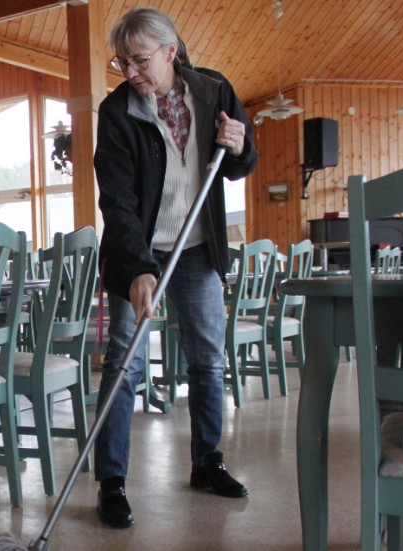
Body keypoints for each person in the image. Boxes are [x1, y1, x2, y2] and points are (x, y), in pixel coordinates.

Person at [92, 7, 258, 529]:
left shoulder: (213, 91)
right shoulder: (116, 112)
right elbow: (117, 200)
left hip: (198, 249)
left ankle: (207, 462)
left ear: (171, 51)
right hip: (140, 249)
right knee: (125, 361)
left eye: (140, 60)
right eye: (123, 63)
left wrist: (240, 145)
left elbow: (240, 164)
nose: (131, 72)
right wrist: (138, 267)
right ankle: (112, 480)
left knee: (208, 358)